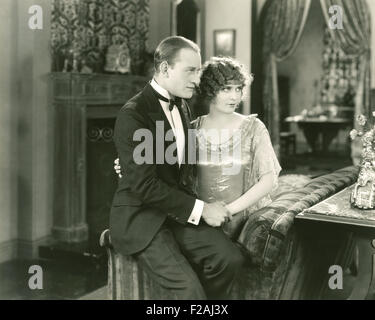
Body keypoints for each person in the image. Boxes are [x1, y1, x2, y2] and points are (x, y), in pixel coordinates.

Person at [110, 36, 245, 300]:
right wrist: (203, 209)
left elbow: (174, 164)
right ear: (164, 69)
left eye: (198, 70)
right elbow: (144, 185)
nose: (197, 79)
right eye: (190, 70)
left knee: (230, 259)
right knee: (190, 292)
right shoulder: (134, 114)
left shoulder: (182, 104)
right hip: (143, 217)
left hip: (175, 212)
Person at [115, 56, 281, 240]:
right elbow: (165, 168)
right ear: (210, 91)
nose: (234, 96)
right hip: (201, 221)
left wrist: (227, 211)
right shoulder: (192, 129)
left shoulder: (254, 128)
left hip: (245, 223)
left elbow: (269, 180)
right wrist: (127, 164)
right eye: (226, 89)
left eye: (238, 89)